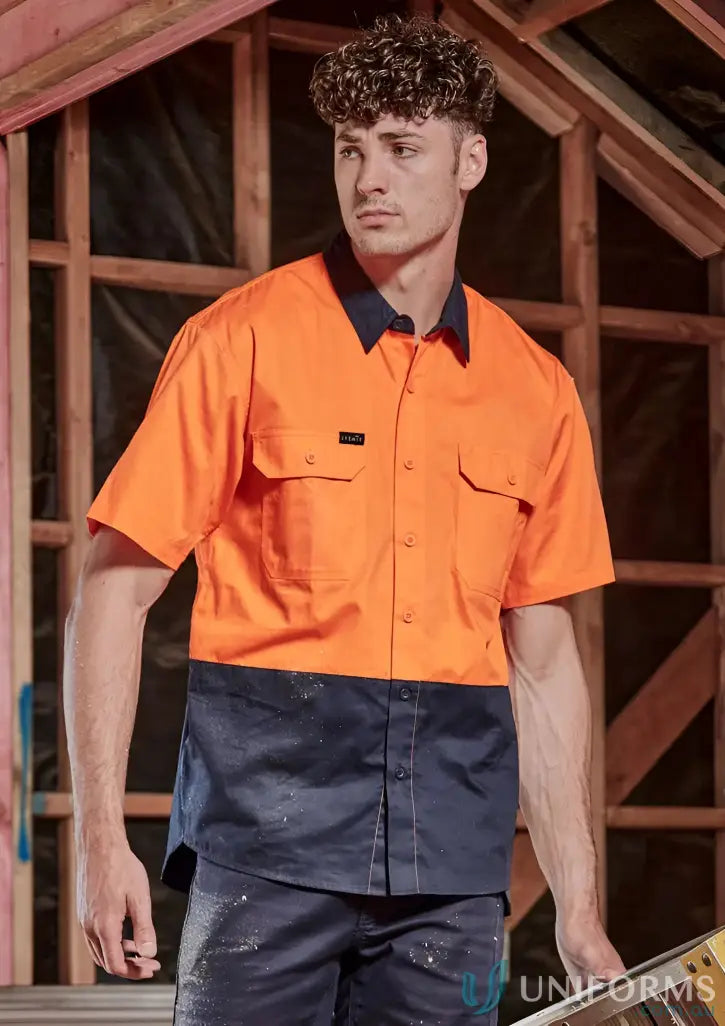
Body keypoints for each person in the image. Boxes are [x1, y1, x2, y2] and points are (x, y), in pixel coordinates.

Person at [63, 13, 625, 1025]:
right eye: (349, 150)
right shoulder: (238, 342)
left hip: (452, 871)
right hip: (263, 855)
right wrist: (101, 843)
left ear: (469, 162)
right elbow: (112, 591)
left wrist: (578, 904)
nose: (369, 178)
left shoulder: (535, 390)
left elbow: (542, 665)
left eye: (402, 148)